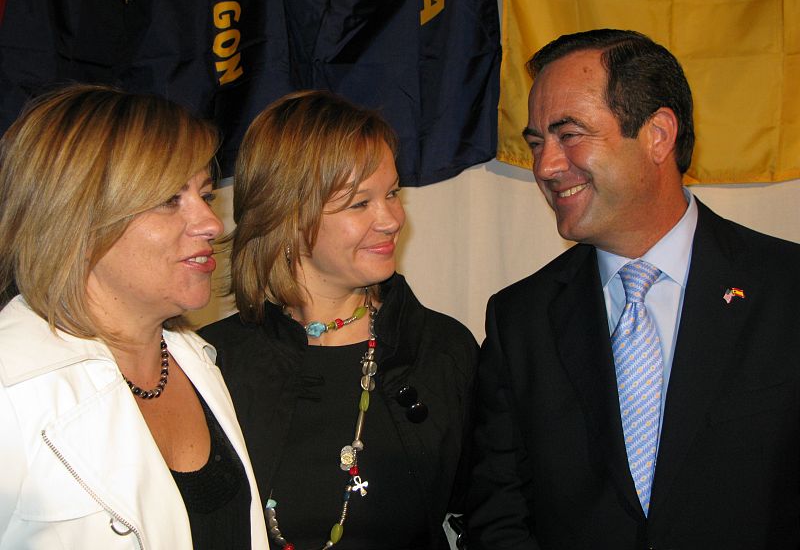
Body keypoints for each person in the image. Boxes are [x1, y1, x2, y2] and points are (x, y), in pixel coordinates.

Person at [466, 29, 800, 549]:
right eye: (537, 142)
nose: (546, 166)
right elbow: (500, 511)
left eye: (569, 133)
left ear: (658, 135)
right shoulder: (520, 320)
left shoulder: (787, 290)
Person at [199, 90, 478, 550]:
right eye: (359, 203)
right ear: (286, 215)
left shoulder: (440, 348)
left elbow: (486, 513)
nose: (391, 219)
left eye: (391, 193)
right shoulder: (212, 361)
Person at [0, 84, 269, 549]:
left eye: (205, 194)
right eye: (170, 199)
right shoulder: (12, 392)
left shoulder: (197, 360)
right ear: (76, 219)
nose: (212, 223)